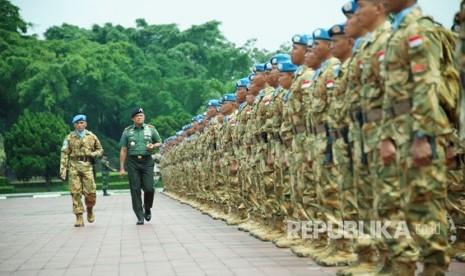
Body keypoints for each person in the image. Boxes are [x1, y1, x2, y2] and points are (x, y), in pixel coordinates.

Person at [119, 107, 162, 225]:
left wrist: (153, 146)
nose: (139, 117)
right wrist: (122, 168)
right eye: (137, 116)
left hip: (147, 161)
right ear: (132, 118)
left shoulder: (151, 129)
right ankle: (139, 215)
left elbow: (159, 142)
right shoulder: (127, 132)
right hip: (132, 162)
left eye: (141, 115)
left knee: (149, 188)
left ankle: (147, 208)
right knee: (135, 189)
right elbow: (123, 150)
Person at [60, 114, 103, 227]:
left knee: (91, 193)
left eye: (82, 123)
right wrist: (63, 170)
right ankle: (79, 217)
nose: (79, 125)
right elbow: (64, 154)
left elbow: (100, 149)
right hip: (73, 166)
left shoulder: (91, 136)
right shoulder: (69, 137)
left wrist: (94, 154)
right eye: (77, 123)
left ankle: (90, 209)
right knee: (75, 193)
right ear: (74, 124)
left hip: (87, 166)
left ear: (86, 124)